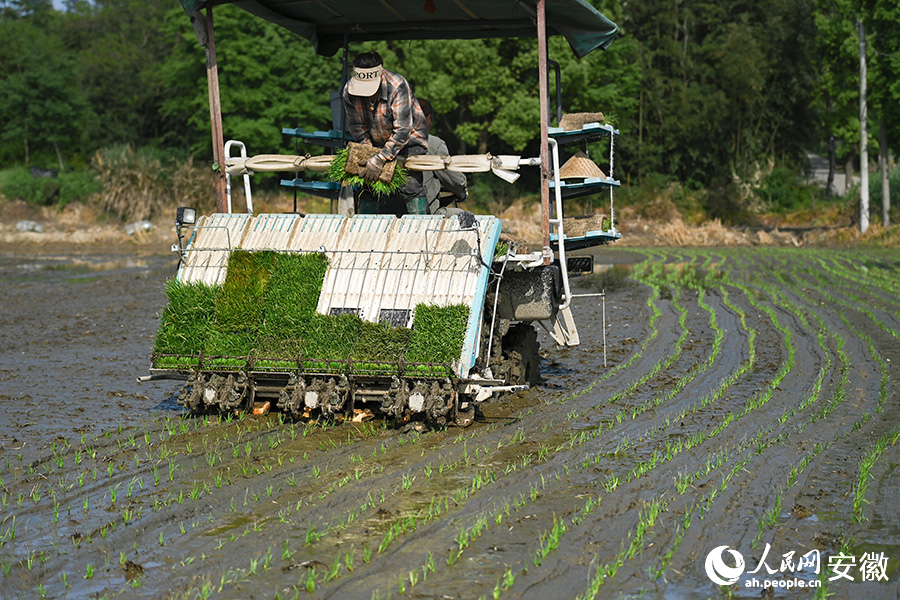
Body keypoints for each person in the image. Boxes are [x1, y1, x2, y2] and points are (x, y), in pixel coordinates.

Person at [342, 51, 429, 216]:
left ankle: (420, 228)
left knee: (409, 185)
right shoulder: (349, 92)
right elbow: (356, 126)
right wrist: (369, 154)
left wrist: (380, 159)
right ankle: (368, 231)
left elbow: (403, 131)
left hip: (410, 139)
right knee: (367, 184)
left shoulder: (397, 86)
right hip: (376, 140)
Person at [417, 98, 468, 216]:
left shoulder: (387, 142)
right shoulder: (433, 144)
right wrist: (462, 192)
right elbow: (456, 181)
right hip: (424, 215)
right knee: (462, 215)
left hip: (387, 213)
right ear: (428, 117)